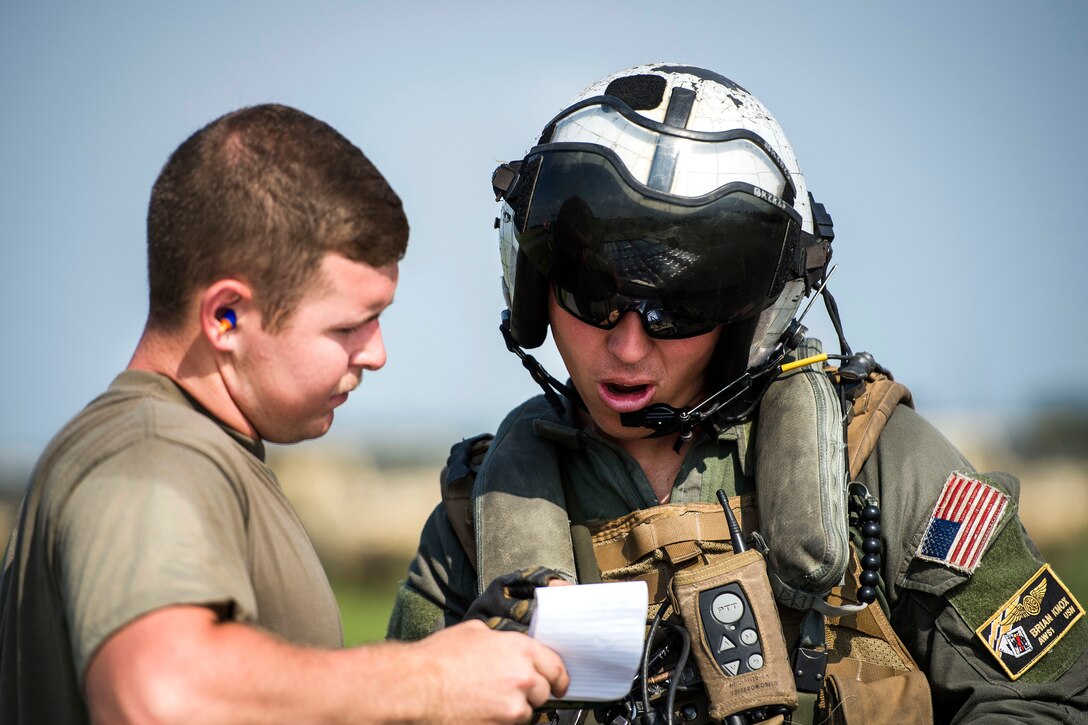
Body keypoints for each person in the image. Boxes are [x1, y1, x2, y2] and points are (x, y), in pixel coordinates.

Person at [387, 64, 1088, 723]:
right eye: (593, 296)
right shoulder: (473, 519)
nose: (628, 347)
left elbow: (1050, 699)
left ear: (751, 316)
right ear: (536, 283)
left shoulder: (882, 466)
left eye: (678, 310)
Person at [0, 103, 568, 724]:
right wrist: (428, 679)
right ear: (226, 317)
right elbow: (157, 697)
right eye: (349, 325)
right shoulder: (148, 452)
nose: (376, 354)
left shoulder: (195, 455)